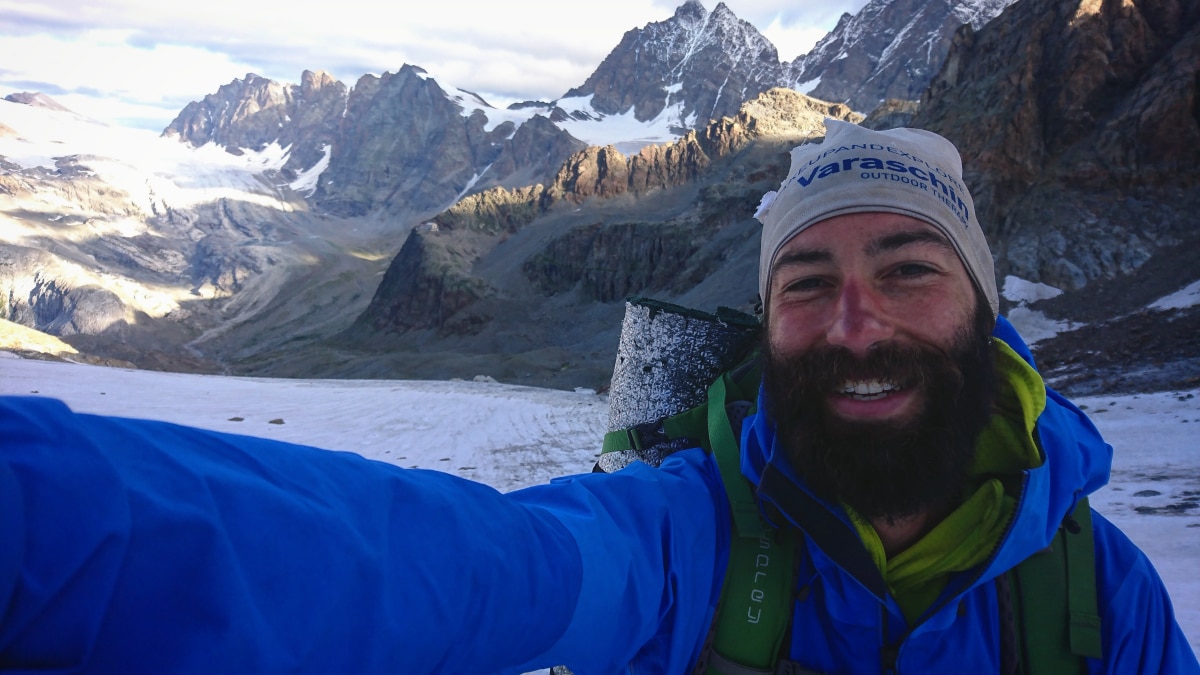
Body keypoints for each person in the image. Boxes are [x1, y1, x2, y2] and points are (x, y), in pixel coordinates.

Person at [0, 119, 1195, 674]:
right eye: (806, 282)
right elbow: (472, 567)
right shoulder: (692, 542)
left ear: (987, 310)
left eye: (909, 270)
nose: (852, 323)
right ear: (766, 323)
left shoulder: (1094, 599)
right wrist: (45, 511)